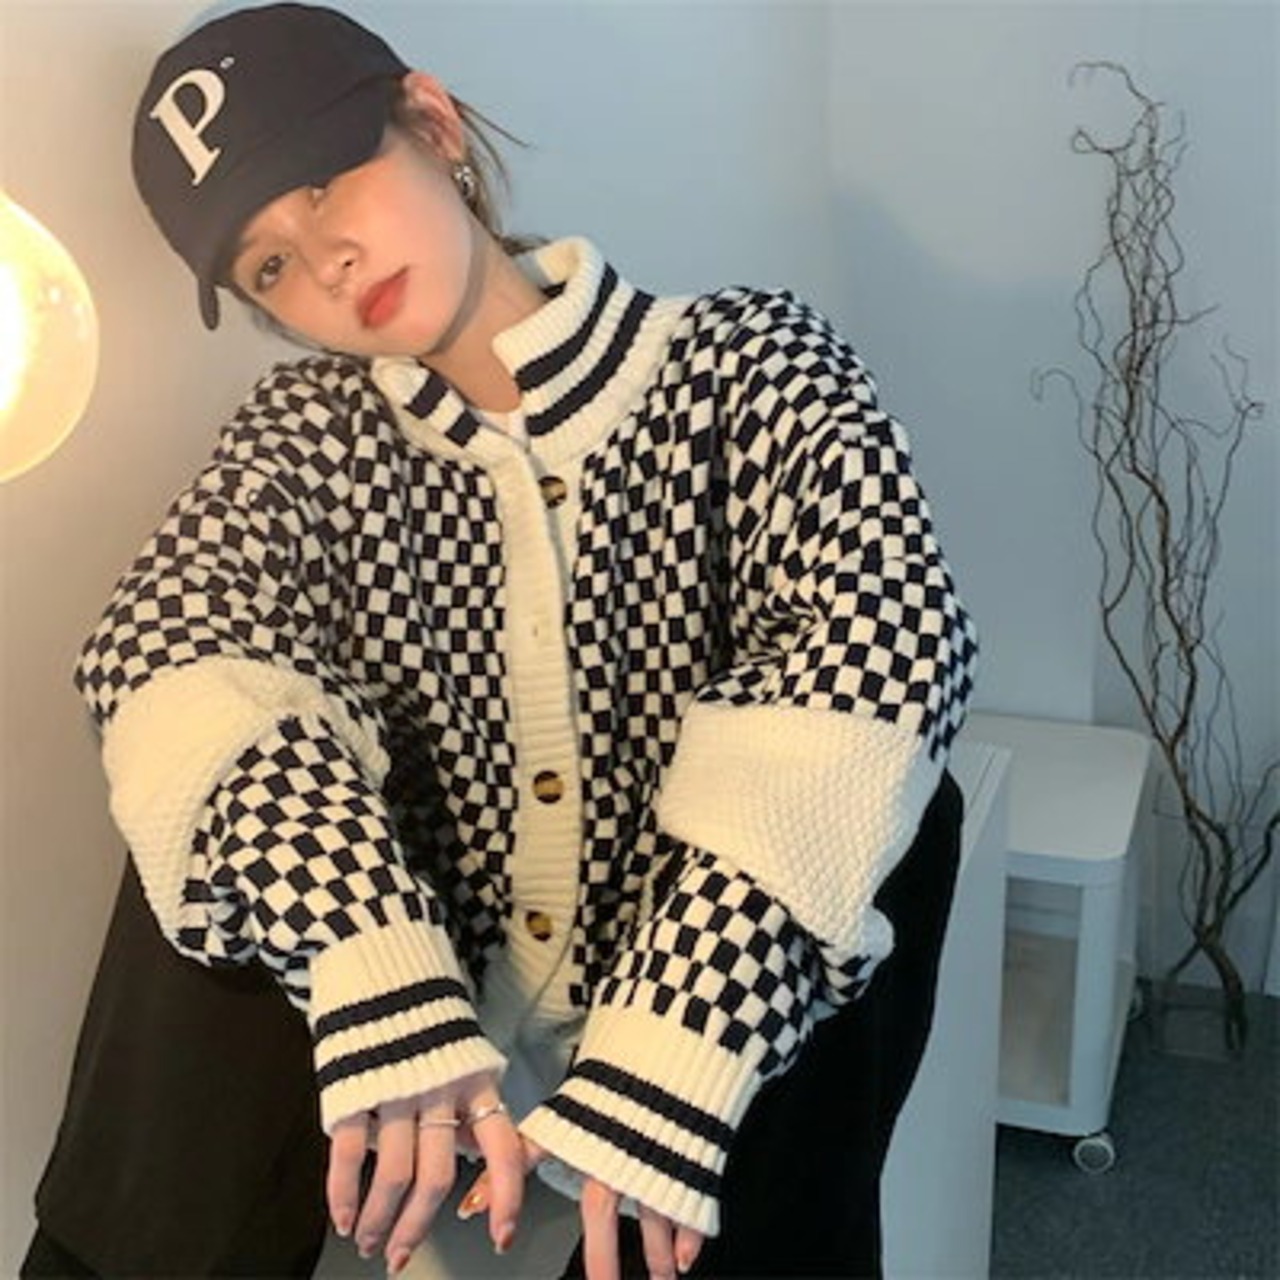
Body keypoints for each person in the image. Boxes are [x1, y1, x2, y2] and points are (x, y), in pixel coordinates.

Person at [24, 4, 978, 1278]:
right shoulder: (308, 429)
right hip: (429, 1001)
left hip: (678, 997)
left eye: (325, 184)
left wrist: (679, 1030)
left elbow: (884, 625)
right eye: (268, 267)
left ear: (430, 122)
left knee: (893, 796)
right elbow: (160, 642)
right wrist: (368, 949)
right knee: (200, 787)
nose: (326, 264)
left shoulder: (741, 358)